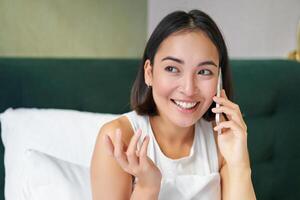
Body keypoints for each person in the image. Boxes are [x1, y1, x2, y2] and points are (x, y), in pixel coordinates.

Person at [90, 9, 256, 200]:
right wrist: (147, 187)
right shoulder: (118, 139)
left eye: (204, 72)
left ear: (219, 79)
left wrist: (239, 164)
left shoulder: (223, 139)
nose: (188, 89)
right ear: (149, 73)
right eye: (172, 68)